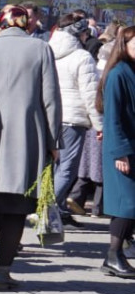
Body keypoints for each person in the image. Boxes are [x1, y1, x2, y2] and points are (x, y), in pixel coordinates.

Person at [0, 5, 61, 291]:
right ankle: (3, 271)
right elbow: (51, 100)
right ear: (25, 24)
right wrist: (53, 141)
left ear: (2, 24)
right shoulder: (40, 49)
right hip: (27, 137)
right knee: (16, 207)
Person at [50, 14, 102, 227]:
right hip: (73, 119)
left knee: (54, 167)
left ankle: (56, 212)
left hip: (52, 116)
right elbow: (90, 95)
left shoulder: (48, 51)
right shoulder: (82, 57)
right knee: (68, 169)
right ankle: (45, 207)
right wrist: (99, 125)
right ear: (79, 32)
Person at [96, 25, 135, 279]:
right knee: (125, 204)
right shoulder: (118, 74)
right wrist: (120, 152)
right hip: (122, 149)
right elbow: (112, 118)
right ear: (125, 45)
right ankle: (113, 254)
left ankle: (116, 254)